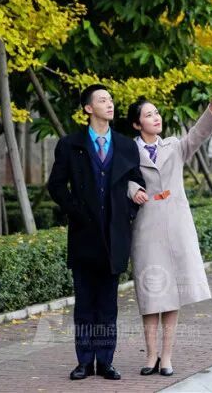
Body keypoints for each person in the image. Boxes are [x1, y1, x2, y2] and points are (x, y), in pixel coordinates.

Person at [47, 84, 145, 381]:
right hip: (83, 235)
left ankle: (105, 362)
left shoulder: (126, 146)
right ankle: (83, 362)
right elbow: (56, 186)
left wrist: (127, 213)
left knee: (107, 305)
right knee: (85, 305)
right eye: (103, 100)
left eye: (111, 99)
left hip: (114, 237)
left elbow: (136, 183)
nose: (110, 104)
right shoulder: (70, 144)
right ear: (88, 108)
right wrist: (75, 210)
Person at [126, 89, 212, 377]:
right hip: (146, 225)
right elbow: (119, 179)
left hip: (175, 224)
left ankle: (167, 357)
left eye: (157, 113)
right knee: (151, 292)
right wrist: (133, 190)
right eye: (149, 115)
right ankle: (151, 356)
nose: (156, 118)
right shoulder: (127, 151)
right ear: (137, 124)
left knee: (172, 294)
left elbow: (198, 134)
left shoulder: (174, 146)